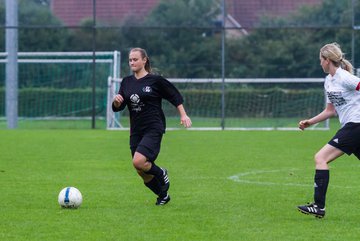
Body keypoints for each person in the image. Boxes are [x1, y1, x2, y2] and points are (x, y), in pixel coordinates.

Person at [112, 47, 192, 206]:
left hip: (153, 127)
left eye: (135, 59)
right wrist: (116, 102)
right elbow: (118, 107)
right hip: (136, 130)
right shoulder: (126, 82)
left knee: (138, 161)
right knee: (141, 171)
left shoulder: (155, 80)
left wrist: (183, 114)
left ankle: (162, 173)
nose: (132, 62)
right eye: (130, 60)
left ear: (144, 60)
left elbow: (174, 95)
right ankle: (163, 195)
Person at [297, 42, 360, 218]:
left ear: (327, 60)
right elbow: (330, 111)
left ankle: (318, 206)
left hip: (355, 126)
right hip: (352, 127)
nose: (319, 63)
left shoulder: (345, 77)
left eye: (320, 60)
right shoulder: (329, 81)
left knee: (321, 157)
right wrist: (310, 122)